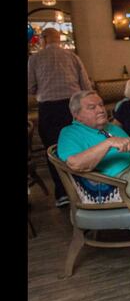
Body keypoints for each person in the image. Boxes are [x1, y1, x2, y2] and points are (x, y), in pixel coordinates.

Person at [57, 91, 130, 218]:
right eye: (92, 107)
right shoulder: (70, 133)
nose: (101, 110)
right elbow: (75, 163)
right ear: (76, 115)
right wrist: (108, 143)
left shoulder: (111, 128)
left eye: (101, 105)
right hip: (121, 181)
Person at [28, 27, 92, 207]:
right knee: (78, 148)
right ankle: (83, 190)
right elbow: (85, 85)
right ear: (58, 39)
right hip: (72, 107)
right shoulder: (72, 57)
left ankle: (63, 193)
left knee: (54, 149)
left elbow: (30, 87)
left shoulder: (35, 59)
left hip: (48, 109)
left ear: (44, 39)